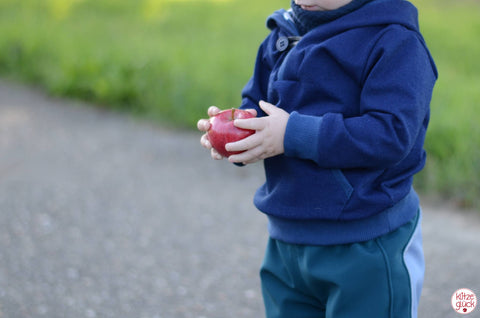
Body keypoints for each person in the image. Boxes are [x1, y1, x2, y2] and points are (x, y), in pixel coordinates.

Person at [197, 0, 437, 317]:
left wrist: (292, 134)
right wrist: (238, 134)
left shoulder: (394, 41)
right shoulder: (283, 35)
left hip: (366, 242)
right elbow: (258, 105)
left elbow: (390, 135)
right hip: (287, 241)